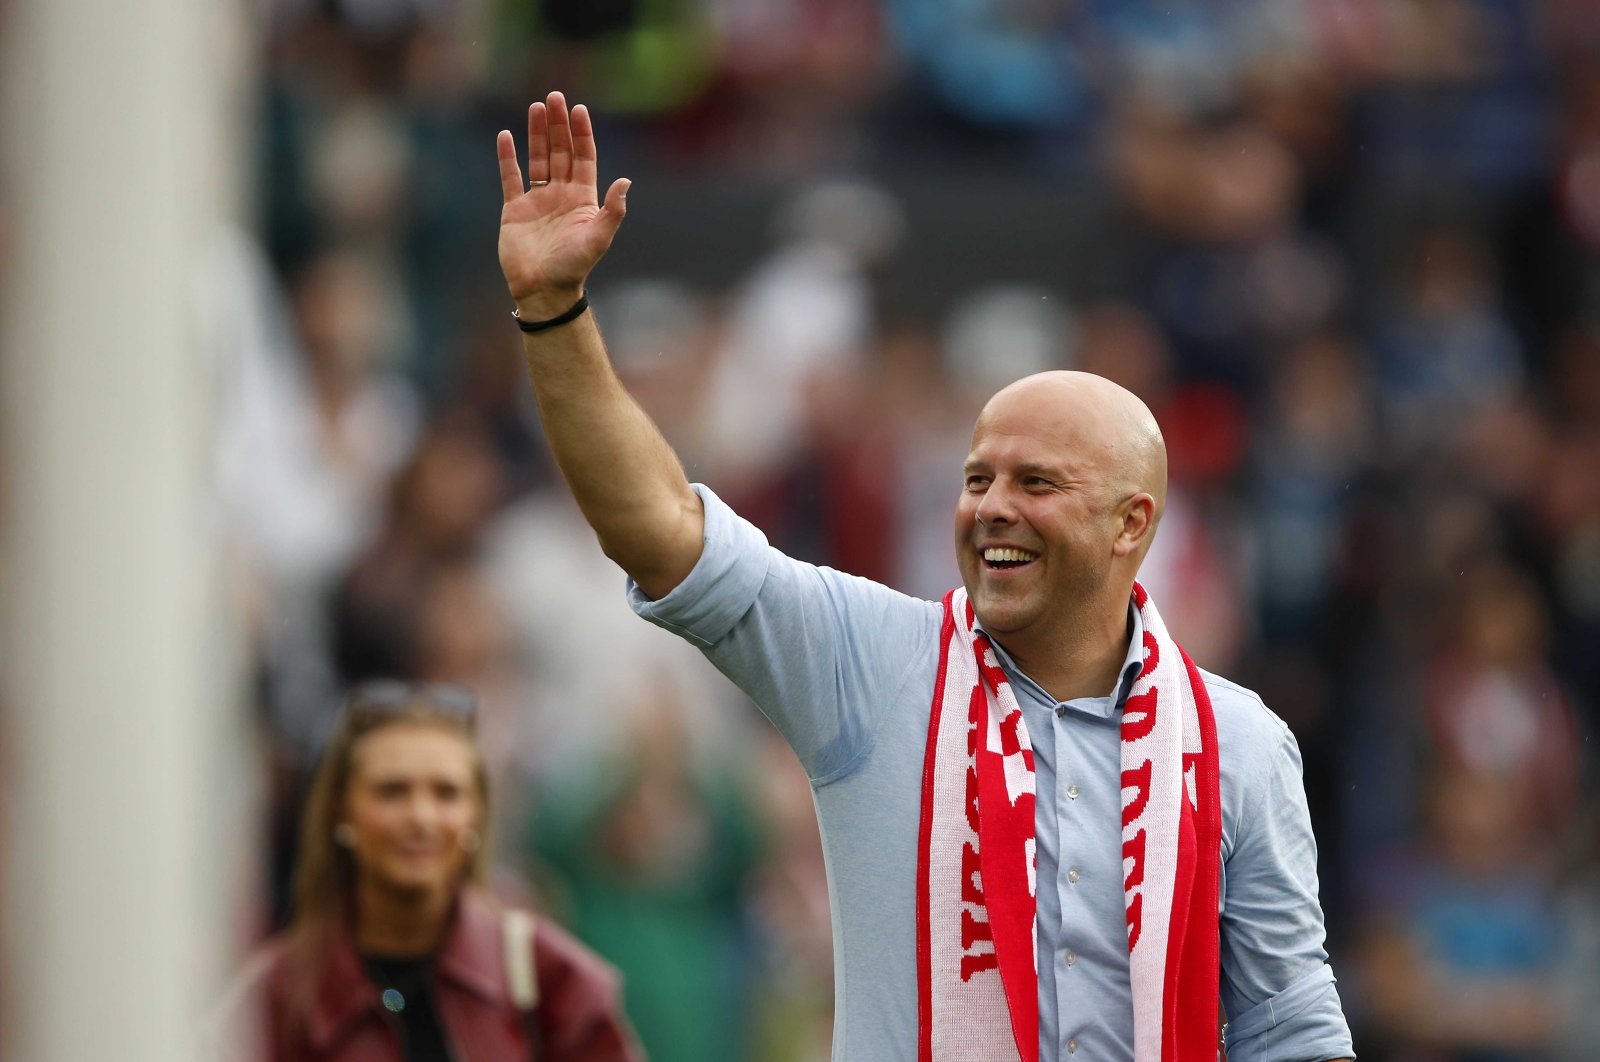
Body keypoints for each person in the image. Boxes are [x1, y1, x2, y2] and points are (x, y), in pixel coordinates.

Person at [493, 91, 1355, 1062]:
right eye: (976, 478)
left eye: (1036, 483)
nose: (991, 507)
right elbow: (656, 528)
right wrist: (553, 312)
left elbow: (1290, 1026)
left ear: (1132, 524)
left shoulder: (1239, 743)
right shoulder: (870, 662)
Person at [212, 680, 644, 1061]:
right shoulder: (275, 999)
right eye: (392, 791)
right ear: (339, 811)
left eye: (447, 793)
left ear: (477, 814)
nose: (421, 817)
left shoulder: (551, 981)